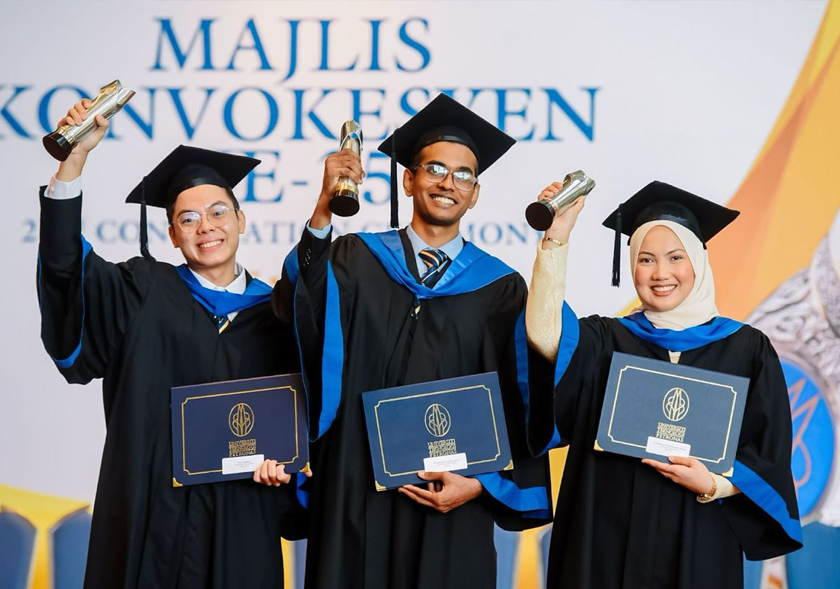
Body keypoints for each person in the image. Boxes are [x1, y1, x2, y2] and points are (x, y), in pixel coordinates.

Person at [267, 94, 552, 589]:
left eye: (463, 174)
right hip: (357, 488)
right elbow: (296, 311)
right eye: (435, 168)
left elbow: (521, 400)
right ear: (409, 178)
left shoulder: (500, 289)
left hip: (450, 495)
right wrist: (321, 210)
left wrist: (482, 483)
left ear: (476, 192)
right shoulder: (353, 259)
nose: (447, 183)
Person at [37, 100, 303, 589]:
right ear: (172, 235)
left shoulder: (279, 315)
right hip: (148, 514)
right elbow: (64, 270)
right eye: (188, 218)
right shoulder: (141, 291)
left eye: (219, 212)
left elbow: (303, 419)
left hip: (242, 518)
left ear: (241, 221)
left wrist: (288, 471)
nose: (207, 227)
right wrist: (71, 162)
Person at [525, 180, 802, 589]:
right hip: (604, 537)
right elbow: (545, 335)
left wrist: (714, 484)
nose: (660, 274)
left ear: (698, 263)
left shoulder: (746, 349)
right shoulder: (605, 340)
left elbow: (768, 450)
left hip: (699, 536)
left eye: (675, 257)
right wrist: (556, 237)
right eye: (646, 259)